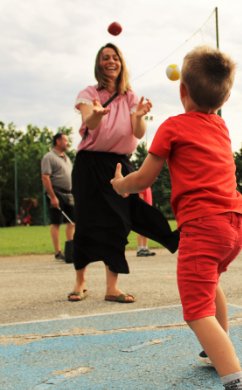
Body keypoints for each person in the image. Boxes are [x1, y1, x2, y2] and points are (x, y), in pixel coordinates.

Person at [110, 45, 242, 390]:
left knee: (197, 312)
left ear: (182, 91)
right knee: (210, 284)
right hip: (234, 224)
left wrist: (120, 185)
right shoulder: (221, 127)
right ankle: (217, 350)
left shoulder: (173, 126)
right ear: (225, 99)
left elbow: (143, 179)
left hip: (203, 226)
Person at [69, 43, 179, 303]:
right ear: (99, 64)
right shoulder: (89, 93)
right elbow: (89, 122)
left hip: (119, 164)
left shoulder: (130, 96)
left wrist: (139, 115)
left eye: (115, 57)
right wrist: (97, 114)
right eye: (105, 58)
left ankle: (112, 287)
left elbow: (138, 133)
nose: (111, 61)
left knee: (119, 223)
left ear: (121, 64)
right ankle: (80, 283)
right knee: (85, 222)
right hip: (89, 164)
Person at [41, 132, 75, 261]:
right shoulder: (49, 157)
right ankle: (58, 252)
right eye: (66, 140)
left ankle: (70, 249)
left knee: (72, 221)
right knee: (56, 222)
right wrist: (53, 197)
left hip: (69, 194)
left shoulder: (67, 158)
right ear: (58, 141)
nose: (68, 143)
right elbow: (45, 177)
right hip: (56, 193)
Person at [136, 186, 156, 257]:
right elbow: (141, 201)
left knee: (147, 230)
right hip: (143, 211)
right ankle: (140, 249)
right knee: (141, 230)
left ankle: (145, 248)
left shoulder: (148, 187)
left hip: (148, 211)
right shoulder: (142, 187)